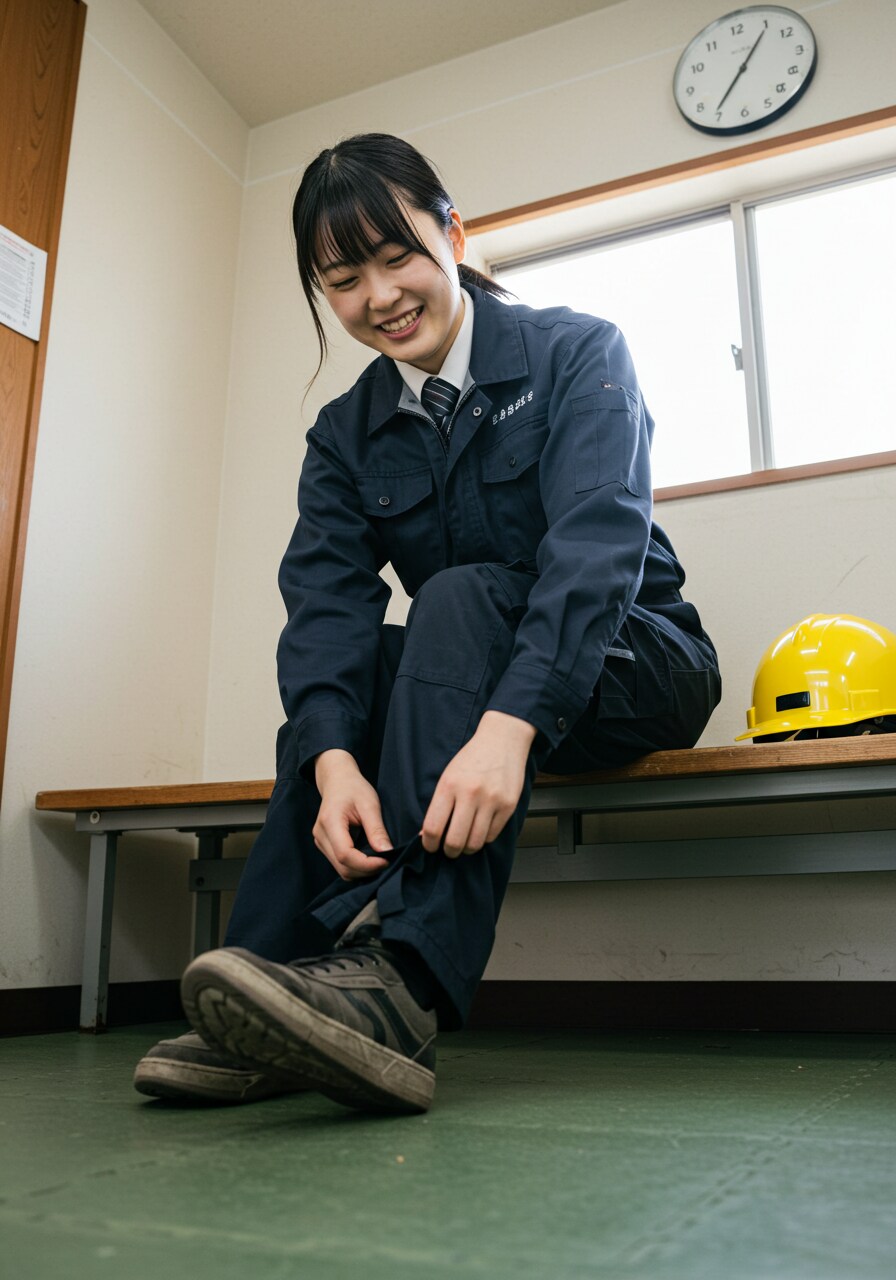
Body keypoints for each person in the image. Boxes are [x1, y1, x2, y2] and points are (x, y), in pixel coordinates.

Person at [134, 132, 721, 1115]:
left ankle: (397, 986)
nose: (379, 296)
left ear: (452, 233)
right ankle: (270, 989)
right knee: (347, 682)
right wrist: (332, 762)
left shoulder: (576, 350)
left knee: (454, 594)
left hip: (633, 662)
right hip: (475, 675)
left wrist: (509, 725)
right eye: (343, 279)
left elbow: (595, 550)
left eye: (396, 254)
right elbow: (325, 606)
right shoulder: (343, 434)